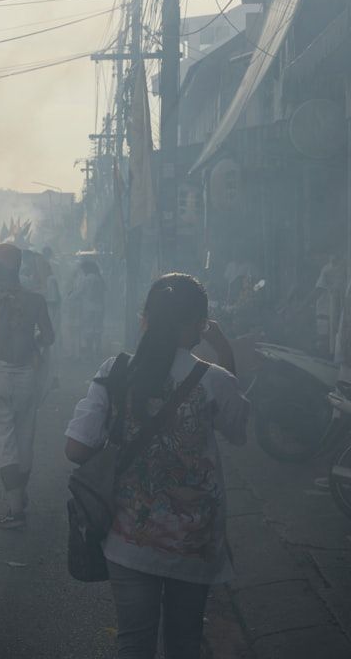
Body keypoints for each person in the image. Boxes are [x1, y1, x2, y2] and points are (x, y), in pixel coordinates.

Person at [65, 274, 249, 659]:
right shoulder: (214, 380)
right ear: (200, 326)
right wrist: (223, 348)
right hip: (195, 542)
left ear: (144, 318)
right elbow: (238, 429)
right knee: (184, 643)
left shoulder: (117, 370)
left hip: (129, 537)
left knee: (134, 642)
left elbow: (76, 447)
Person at [0, 243, 54, 530]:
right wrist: (29, 343)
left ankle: (15, 510)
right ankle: (19, 496)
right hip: (25, 375)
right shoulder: (36, 300)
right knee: (24, 438)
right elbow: (49, 336)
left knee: (2, 442)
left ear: (1, 268)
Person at [77, 260, 106, 360]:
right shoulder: (99, 278)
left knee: (88, 330)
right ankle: (97, 351)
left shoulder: (87, 279)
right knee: (98, 330)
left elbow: (80, 292)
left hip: (88, 308)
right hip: (99, 308)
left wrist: (69, 297)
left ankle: (89, 353)